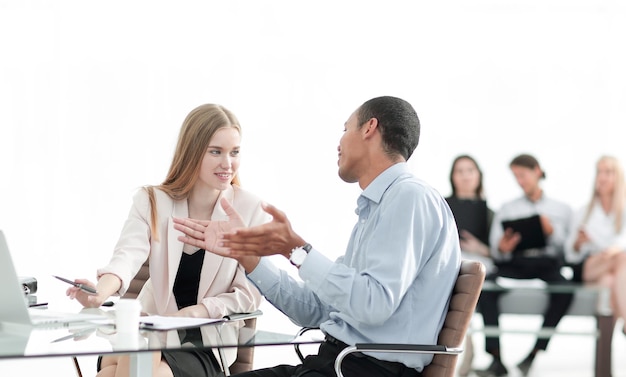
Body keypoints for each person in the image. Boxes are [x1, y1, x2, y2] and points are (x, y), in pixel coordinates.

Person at [174, 96, 462, 377]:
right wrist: (247, 256)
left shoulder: (409, 197)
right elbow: (316, 310)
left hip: (360, 368)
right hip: (335, 363)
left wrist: (296, 249)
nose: (339, 143)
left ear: (369, 128)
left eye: (345, 128)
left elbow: (373, 305)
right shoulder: (380, 208)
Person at [66, 104, 266, 377]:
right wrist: (99, 293)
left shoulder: (251, 211)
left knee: (125, 372)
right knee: (130, 365)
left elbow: (248, 294)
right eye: (215, 151)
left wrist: (187, 316)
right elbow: (126, 257)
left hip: (204, 344)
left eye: (234, 152)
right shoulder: (152, 201)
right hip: (147, 332)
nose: (227, 163)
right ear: (192, 151)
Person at [476, 154, 573, 377]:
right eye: (516, 176)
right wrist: (503, 247)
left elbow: (566, 251)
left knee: (565, 290)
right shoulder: (507, 209)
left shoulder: (562, 209)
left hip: (546, 263)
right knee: (486, 286)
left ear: (537, 171)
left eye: (523, 175)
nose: (520, 181)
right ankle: (495, 357)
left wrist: (551, 232)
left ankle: (534, 353)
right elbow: (496, 248)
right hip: (517, 263)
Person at [444, 154, 495, 376]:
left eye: (470, 170)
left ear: (479, 176)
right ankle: (463, 347)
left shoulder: (490, 213)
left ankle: (474, 348)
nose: (465, 176)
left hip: (479, 267)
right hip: (450, 264)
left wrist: (478, 247)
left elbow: (499, 253)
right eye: (460, 171)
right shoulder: (441, 206)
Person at [565, 155, 626, 333]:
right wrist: (578, 243)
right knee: (621, 258)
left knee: (609, 280)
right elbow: (569, 253)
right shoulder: (584, 211)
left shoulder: (623, 210)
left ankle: (603, 356)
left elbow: (621, 240)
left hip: (610, 267)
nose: (602, 177)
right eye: (599, 172)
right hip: (588, 265)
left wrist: (611, 249)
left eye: (608, 172)